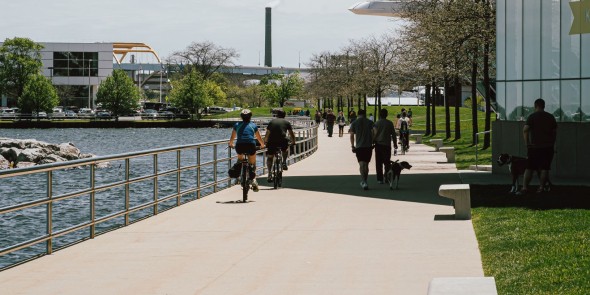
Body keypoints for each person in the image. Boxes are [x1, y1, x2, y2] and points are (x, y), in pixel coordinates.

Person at [518, 98, 557, 195]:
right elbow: (554, 132)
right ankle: (541, 188)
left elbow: (525, 130)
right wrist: (552, 143)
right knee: (545, 168)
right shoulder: (550, 117)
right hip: (548, 147)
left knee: (529, 168)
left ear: (535, 106)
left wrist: (527, 143)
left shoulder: (532, 117)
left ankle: (525, 188)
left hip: (534, 147)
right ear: (544, 106)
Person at [228, 109, 265, 192]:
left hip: (240, 146)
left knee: (240, 160)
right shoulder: (253, 125)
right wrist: (262, 145)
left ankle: (237, 178)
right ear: (250, 117)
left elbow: (232, 137)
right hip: (251, 145)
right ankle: (253, 180)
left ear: (241, 117)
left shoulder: (237, 125)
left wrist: (231, 144)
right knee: (252, 163)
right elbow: (259, 138)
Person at [264, 109, 296, 182]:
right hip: (282, 140)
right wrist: (293, 141)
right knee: (285, 149)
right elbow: (291, 133)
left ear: (277, 115)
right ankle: (284, 162)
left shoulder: (272, 122)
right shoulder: (287, 122)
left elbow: (267, 133)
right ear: (285, 115)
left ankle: (269, 173)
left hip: (272, 141)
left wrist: (265, 142)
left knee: (270, 157)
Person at [349, 109, 375, 190]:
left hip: (359, 146)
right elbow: (375, 131)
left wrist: (352, 146)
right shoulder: (370, 122)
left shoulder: (354, 123)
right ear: (365, 114)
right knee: (366, 165)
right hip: (368, 146)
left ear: (358, 114)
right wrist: (373, 140)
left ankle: (363, 181)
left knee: (361, 165)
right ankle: (365, 181)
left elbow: (352, 135)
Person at [373, 108, 398, 184]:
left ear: (380, 115)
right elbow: (393, 134)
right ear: (386, 115)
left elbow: (374, 134)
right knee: (387, 162)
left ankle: (379, 179)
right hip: (387, 145)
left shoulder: (376, 123)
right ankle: (387, 177)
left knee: (378, 162)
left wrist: (372, 142)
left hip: (378, 145)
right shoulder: (389, 123)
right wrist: (395, 143)